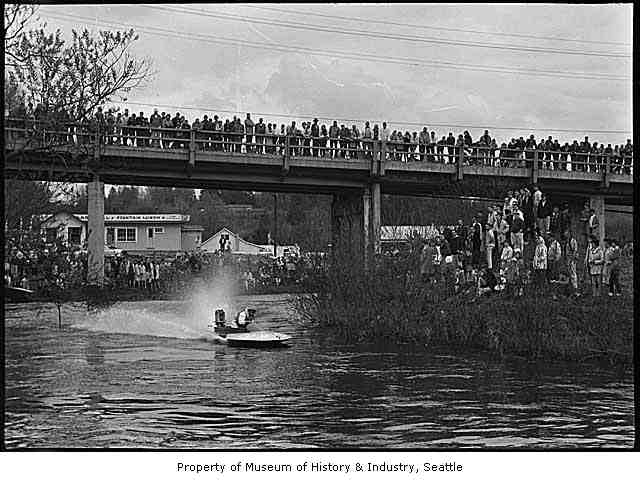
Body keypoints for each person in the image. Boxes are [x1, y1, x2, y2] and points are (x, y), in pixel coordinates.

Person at [564, 229, 580, 296]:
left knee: (573, 275)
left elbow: (574, 251)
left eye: (566, 233)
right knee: (569, 275)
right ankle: (570, 290)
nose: (565, 234)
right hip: (568, 260)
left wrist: (572, 260)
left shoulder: (572, 241)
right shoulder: (567, 241)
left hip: (572, 260)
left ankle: (575, 290)